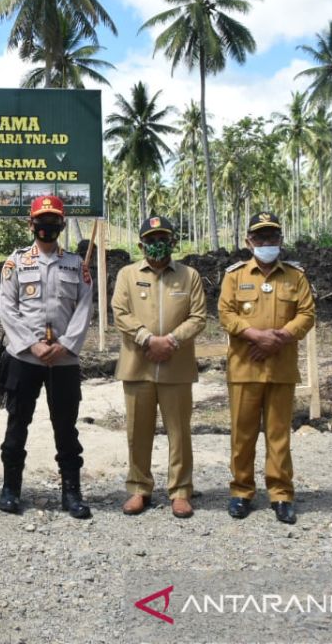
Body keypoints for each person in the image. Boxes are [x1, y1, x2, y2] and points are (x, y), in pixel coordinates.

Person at [0, 195, 94, 518]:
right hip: (24, 358)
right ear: (31, 223)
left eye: (53, 222)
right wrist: (32, 344)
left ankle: (72, 492)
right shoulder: (15, 263)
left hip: (63, 360)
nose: (47, 227)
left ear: (62, 225)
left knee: (66, 426)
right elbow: (7, 309)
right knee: (17, 424)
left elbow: (84, 308)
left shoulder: (76, 266)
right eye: (42, 221)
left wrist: (65, 345)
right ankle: (11, 489)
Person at [218, 212, 315, 524]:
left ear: (280, 240)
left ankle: (281, 493)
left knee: (278, 435)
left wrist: (281, 337)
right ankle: (241, 491)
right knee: (242, 435)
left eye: (272, 237)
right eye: (260, 238)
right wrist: (255, 335)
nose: (266, 242)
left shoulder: (295, 277)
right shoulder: (234, 275)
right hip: (245, 367)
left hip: (281, 367)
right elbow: (226, 314)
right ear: (249, 242)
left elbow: (306, 313)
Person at [111, 215, 206, 518]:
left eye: (162, 238)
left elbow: (198, 316)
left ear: (173, 241)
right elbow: (120, 312)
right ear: (141, 244)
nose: (157, 244)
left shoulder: (189, 276)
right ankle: (139, 488)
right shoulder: (127, 274)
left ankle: (180, 491)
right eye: (150, 240)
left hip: (176, 367)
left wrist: (171, 341)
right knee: (138, 431)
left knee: (179, 433)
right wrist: (147, 339)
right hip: (138, 365)